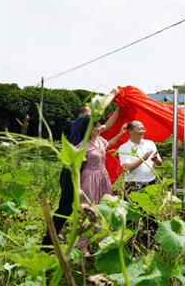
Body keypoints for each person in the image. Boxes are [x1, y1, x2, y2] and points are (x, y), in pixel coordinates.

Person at [42, 91, 118, 250]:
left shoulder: (91, 132)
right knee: (68, 207)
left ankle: (63, 239)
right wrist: (113, 93)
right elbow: (101, 115)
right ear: (84, 114)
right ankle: (49, 242)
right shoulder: (81, 122)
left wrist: (120, 109)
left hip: (82, 167)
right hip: (72, 169)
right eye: (91, 113)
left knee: (83, 206)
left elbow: (107, 126)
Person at [75, 113, 126, 254]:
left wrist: (121, 134)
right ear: (88, 129)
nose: (99, 128)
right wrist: (78, 187)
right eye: (96, 127)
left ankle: (101, 242)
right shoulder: (82, 146)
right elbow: (76, 168)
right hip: (89, 178)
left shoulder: (100, 140)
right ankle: (83, 247)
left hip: (103, 178)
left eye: (98, 126)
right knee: (88, 211)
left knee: (103, 209)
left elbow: (109, 144)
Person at [118, 120, 162, 195]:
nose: (143, 131)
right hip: (133, 184)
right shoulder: (124, 147)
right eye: (139, 129)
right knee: (133, 206)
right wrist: (143, 158)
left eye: (143, 128)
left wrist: (156, 160)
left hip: (151, 182)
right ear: (130, 131)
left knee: (151, 206)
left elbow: (160, 163)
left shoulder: (150, 143)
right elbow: (126, 167)